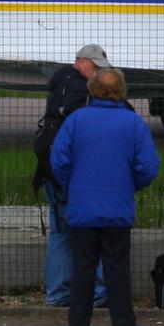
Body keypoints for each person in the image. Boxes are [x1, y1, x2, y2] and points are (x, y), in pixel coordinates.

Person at [51, 67, 160, 326]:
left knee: (83, 265)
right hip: (117, 207)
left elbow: (59, 162)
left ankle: (78, 324)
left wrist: (74, 186)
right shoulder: (133, 123)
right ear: (121, 91)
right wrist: (128, 185)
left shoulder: (77, 120)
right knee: (117, 266)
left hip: (82, 206)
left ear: (93, 89)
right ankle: (123, 323)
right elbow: (148, 167)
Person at [35, 43, 109, 308]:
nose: (98, 74)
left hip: (48, 168)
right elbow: (82, 124)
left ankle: (57, 293)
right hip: (69, 171)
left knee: (60, 233)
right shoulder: (78, 85)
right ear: (83, 62)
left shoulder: (60, 82)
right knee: (93, 230)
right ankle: (101, 294)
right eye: (96, 67)